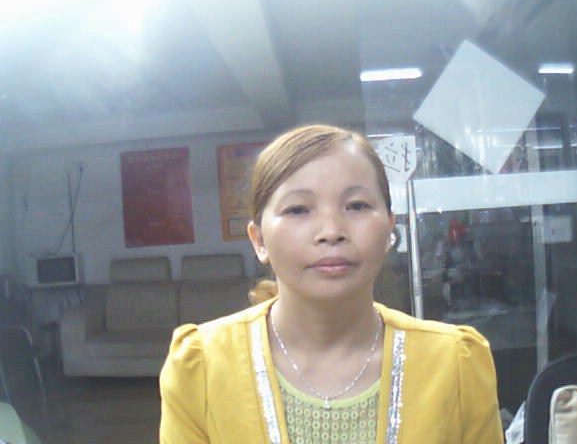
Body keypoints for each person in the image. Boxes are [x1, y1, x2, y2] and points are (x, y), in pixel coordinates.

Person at [159, 124, 504, 443]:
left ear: (389, 229)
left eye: (356, 205)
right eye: (298, 210)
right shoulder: (200, 367)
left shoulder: (455, 362)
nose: (331, 231)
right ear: (259, 240)